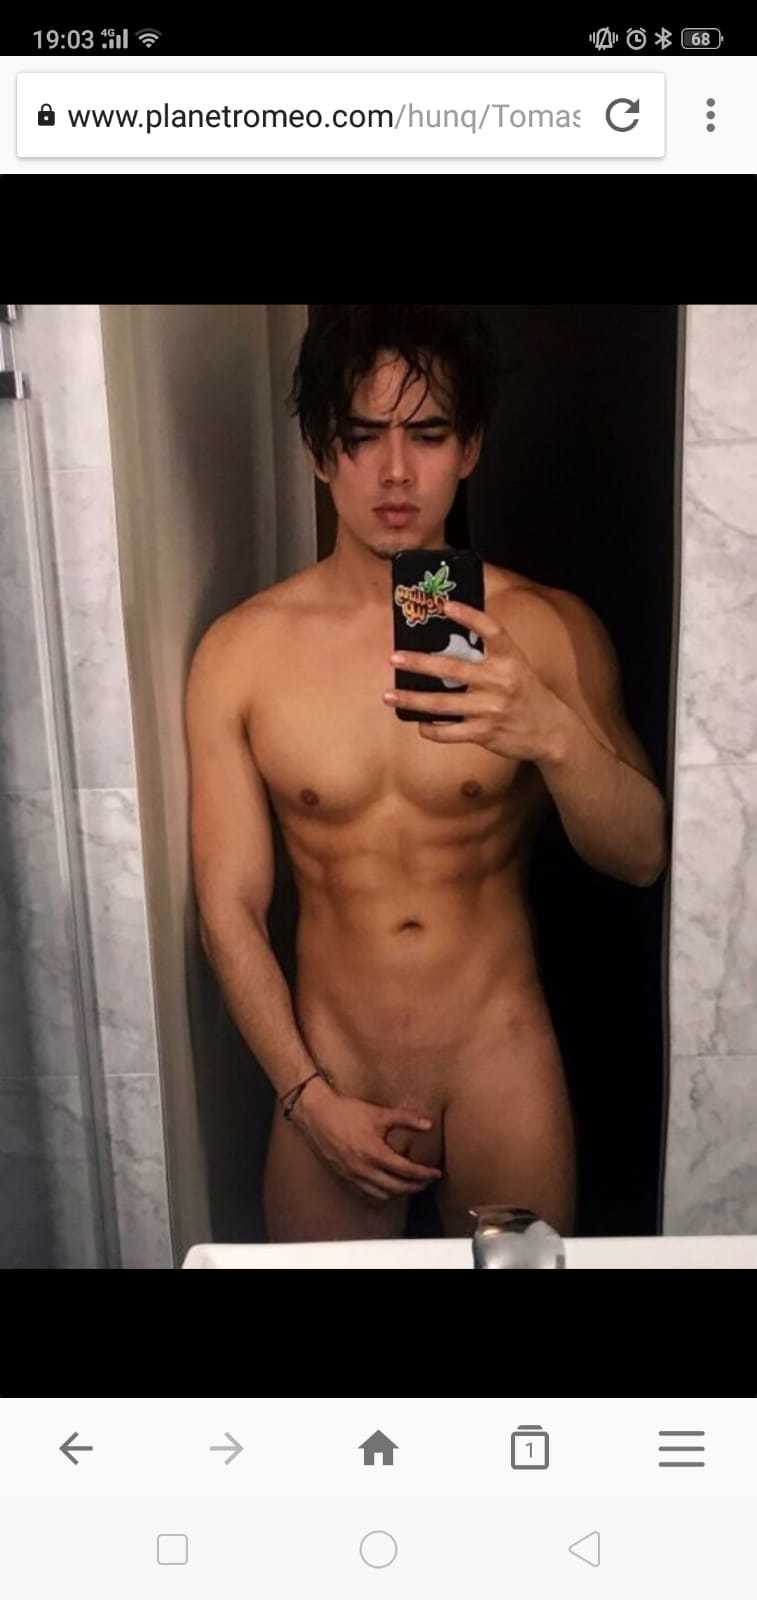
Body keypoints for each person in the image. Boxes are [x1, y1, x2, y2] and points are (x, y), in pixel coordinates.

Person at [185, 304, 668, 1243]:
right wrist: (305, 1096)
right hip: (332, 1065)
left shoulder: (544, 629)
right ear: (320, 453)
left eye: (430, 434)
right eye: (363, 437)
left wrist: (550, 733)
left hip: (499, 1060)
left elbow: (640, 855)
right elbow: (227, 909)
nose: (397, 472)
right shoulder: (241, 655)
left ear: (469, 447)